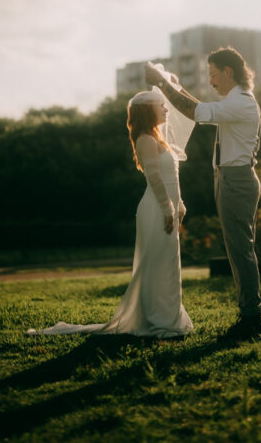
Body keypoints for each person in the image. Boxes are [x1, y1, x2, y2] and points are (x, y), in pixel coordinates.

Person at [26, 79, 194, 339]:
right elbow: (155, 178)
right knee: (157, 263)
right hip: (156, 209)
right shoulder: (145, 139)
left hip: (169, 207)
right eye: (161, 106)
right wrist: (167, 208)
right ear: (148, 111)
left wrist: (179, 204)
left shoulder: (160, 139)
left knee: (169, 264)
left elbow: (173, 176)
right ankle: (158, 318)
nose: (167, 110)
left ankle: (168, 316)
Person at [145, 47, 261, 341]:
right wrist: (175, 87)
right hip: (228, 178)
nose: (211, 81)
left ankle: (251, 320)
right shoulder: (234, 102)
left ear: (227, 72)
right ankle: (249, 315)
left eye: (212, 74)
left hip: (236, 180)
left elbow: (196, 113)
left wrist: (161, 83)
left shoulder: (243, 103)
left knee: (240, 251)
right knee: (237, 250)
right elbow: (201, 108)